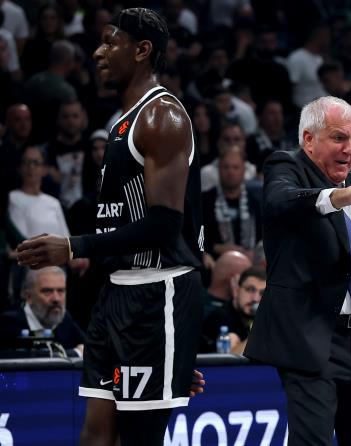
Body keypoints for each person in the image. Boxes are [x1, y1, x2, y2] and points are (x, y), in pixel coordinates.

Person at [16, 8, 204, 446]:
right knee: (94, 436)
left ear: (142, 50)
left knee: (139, 439)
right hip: (117, 294)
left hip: (158, 291)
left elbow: (164, 226)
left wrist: (72, 246)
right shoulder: (122, 123)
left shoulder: (162, 117)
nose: (98, 53)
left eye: (110, 42)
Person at [244, 96, 351, 445]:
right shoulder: (286, 166)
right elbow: (280, 201)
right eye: (338, 138)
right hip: (311, 336)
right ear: (309, 139)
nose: (349, 149)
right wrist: (348, 196)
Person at [0, 266, 85, 357]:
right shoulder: (9, 323)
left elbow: (89, 345)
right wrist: (76, 353)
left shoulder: (64, 319)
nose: (56, 298)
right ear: (29, 296)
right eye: (47, 291)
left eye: (61, 291)